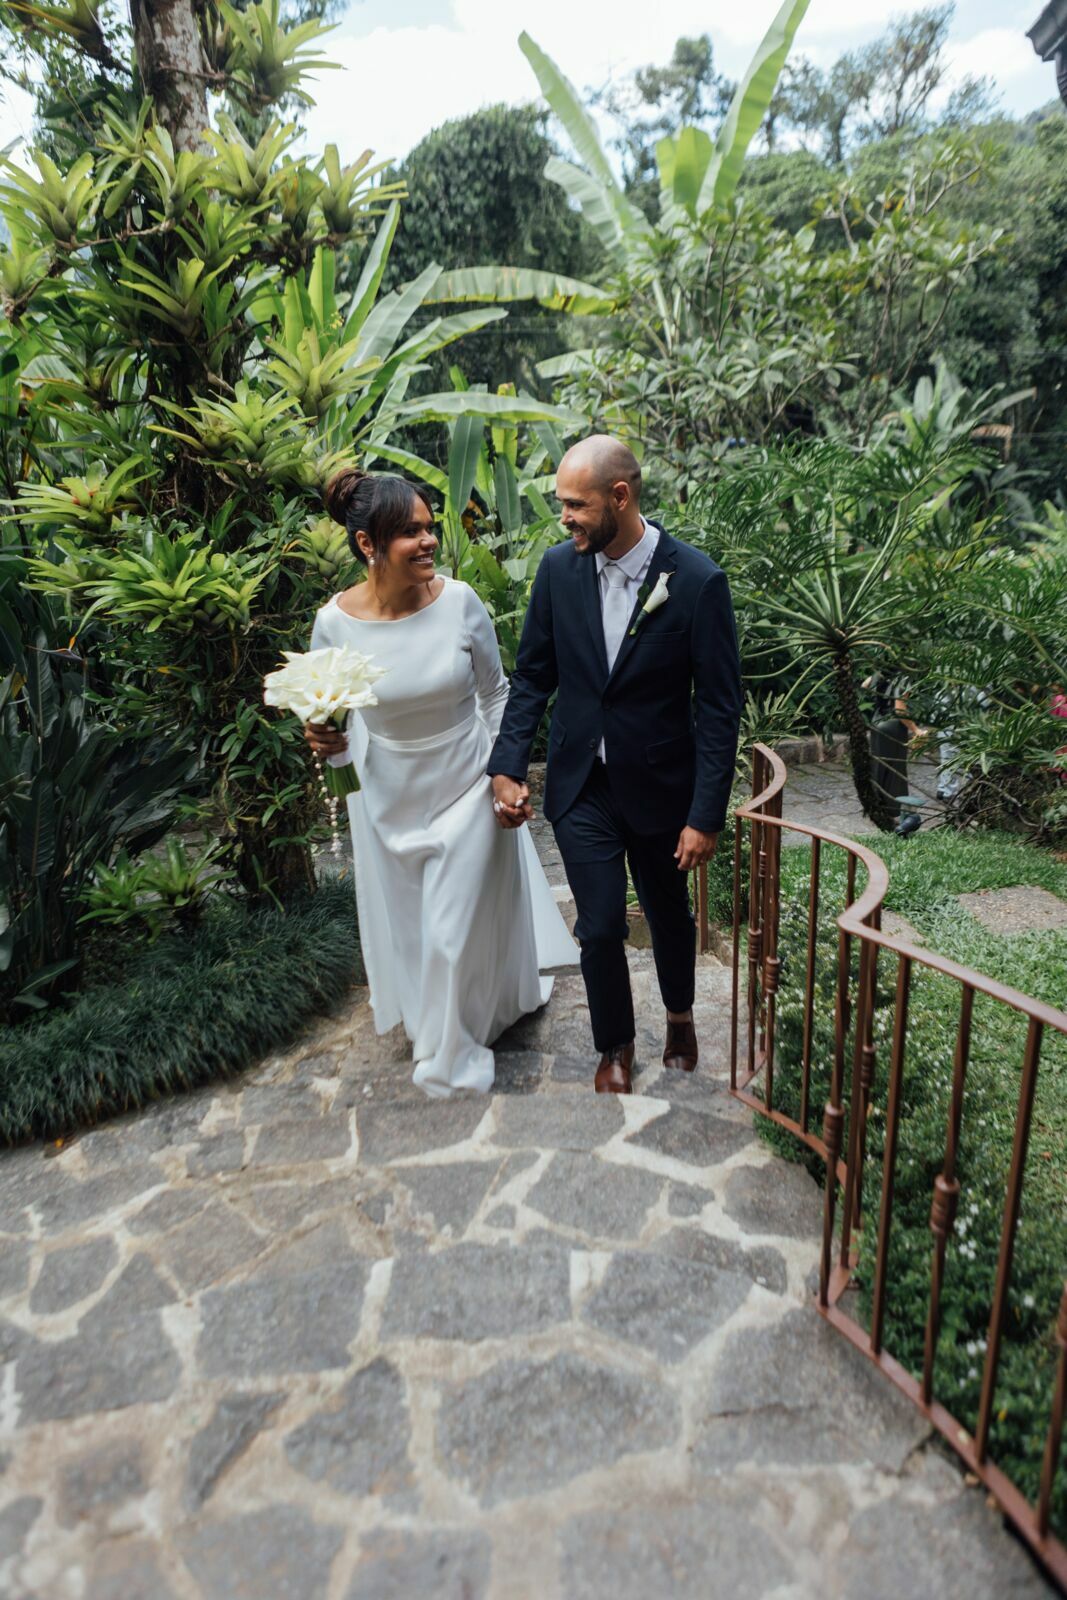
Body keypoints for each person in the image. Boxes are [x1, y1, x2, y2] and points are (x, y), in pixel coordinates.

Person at [304, 469, 576, 1099]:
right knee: (418, 927)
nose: (428, 542)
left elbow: (496, 694)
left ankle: (449, 1055)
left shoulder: (459, 602)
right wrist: (324, 739)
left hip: (467, 784)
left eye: (430, 528)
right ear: (369, 545)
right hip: (388, 793)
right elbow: (332, 726)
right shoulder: (334, 625)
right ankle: (473, 1010)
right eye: (410, 532)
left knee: (450, 924)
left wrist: (503, 775)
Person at [488, 435, 742, 1095]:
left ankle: (681, 1018)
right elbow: (533, 677)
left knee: (667, 914)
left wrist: (703, 814)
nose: (563, 517)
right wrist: (507, 764)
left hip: (661, 787)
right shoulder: (556, 570)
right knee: (598, 925)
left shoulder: (696, 582)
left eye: (575, 504)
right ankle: (616, 1046)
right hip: (582, 787)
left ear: (619, 497)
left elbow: (718, 709)